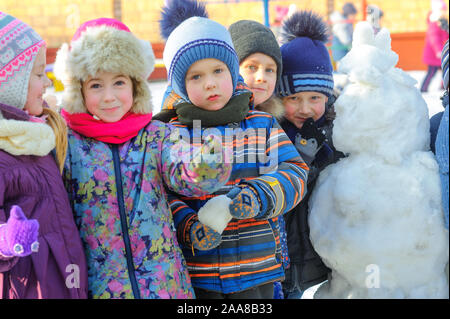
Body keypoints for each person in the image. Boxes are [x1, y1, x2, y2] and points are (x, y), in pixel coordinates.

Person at [53, 17, 232, 299]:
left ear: (135, 86)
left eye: (119, 82)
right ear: (79, 90)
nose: (109, 96)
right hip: (98, 286)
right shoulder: (68, 143)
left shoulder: (155, 135)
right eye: (96, 85)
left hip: (163, 284)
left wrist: (205, 164)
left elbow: (181, 167)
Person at [155, 0, 308, 299]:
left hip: (257, 270)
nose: (210, 83)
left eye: (217, 70)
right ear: (180, 86)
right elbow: (164, 196)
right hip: (201, 273)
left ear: (232, 71)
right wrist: (190, 226)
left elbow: (296, 172)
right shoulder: (174, 134)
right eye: (196, 76)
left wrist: (257, 195)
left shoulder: (261, 124)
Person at [0, 12, 88, 299]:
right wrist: (6, 240)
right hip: (28, 287)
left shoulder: (35, 138)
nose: (47, 83)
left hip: (63, 280)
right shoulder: (4, 156)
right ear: (8, 83)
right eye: (39, 74)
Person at [276, 10, 345, 299]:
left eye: (314, 98)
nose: (305, 108)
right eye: (294, 98)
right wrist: (304, 157)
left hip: (320, 253)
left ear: (327, 97)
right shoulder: (274, 134)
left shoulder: (337, 129)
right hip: (284, 254)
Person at [420, 0, 449, 92]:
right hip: (434, 54)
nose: (444, 12)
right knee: (432, 72)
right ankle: (423, 88)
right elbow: (434, 38)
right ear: (437, 11)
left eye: (445, 10)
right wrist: (438, 50)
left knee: (446, 69)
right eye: (442, 10)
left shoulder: (442, 22)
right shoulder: (434, 23)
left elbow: (445, 34)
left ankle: (443, 86)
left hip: (441, 53)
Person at [329, 2, 357, 68]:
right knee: (342, 72)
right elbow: (345, 39)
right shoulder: (341, 24)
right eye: (353, 15)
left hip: (344, 52)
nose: (354, 17)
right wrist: (352, 48)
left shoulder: (347, 22)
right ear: (348, 14)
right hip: (341, 53)